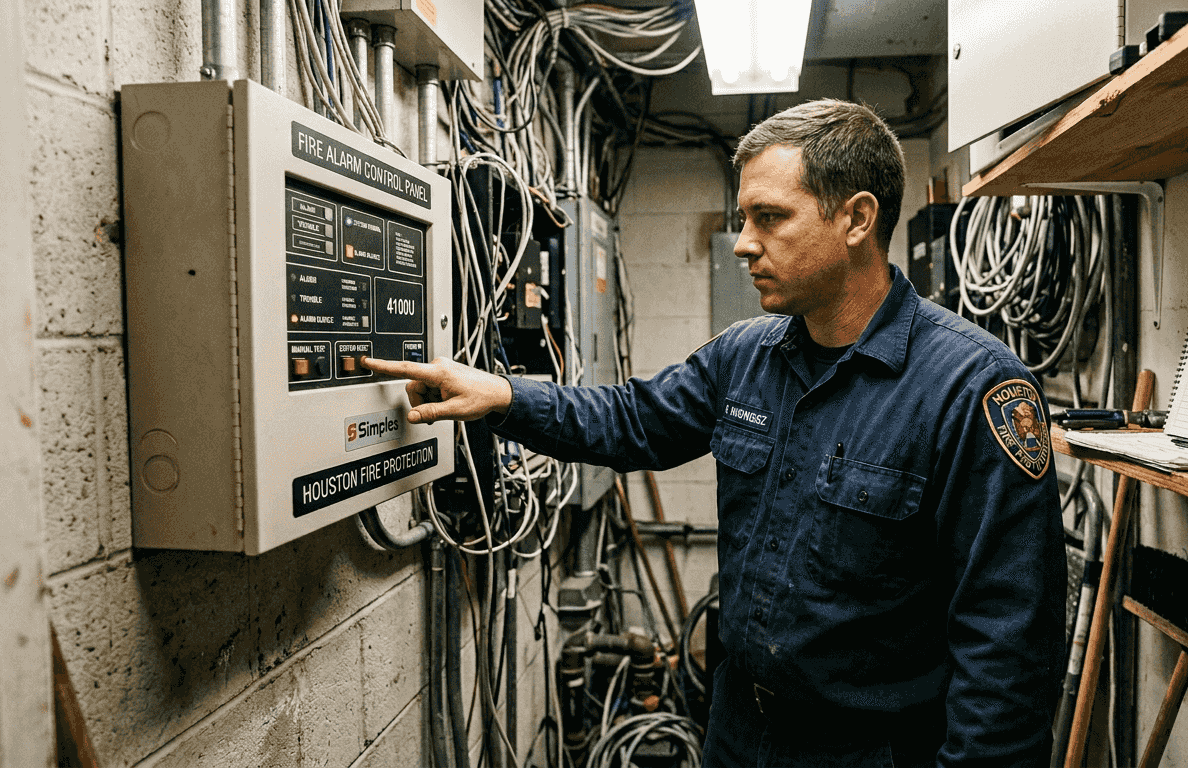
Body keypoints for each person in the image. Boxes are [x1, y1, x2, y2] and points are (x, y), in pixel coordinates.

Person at [364, 99, 1065, 768]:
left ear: (856, 219)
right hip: (738, 732)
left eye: (769, 217)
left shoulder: (971, 390)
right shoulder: (747, 357)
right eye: (743, 217)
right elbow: (634, 421)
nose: (743, 244)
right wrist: (506, 396)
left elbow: (1008, 649)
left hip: (872, 752)